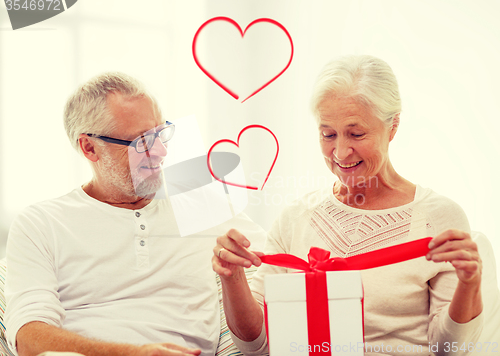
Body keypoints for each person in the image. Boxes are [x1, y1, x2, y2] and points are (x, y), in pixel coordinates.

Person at [213, 55, 484, 356]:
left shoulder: (439, 217)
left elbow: (450, 349)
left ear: (392, 126)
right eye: (328, 134)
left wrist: (469, 284)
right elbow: (257, 347)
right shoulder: (295, 219)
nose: (340, 153)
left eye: (356, 134)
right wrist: (232, 277)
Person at [5, 72, 264, 356]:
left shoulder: (200, 202)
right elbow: (28, 338)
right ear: (89, 147)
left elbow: (284, 264)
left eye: (160, 133)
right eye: (141, 141)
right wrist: (132, 353)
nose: (161, 151)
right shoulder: (42, 223)